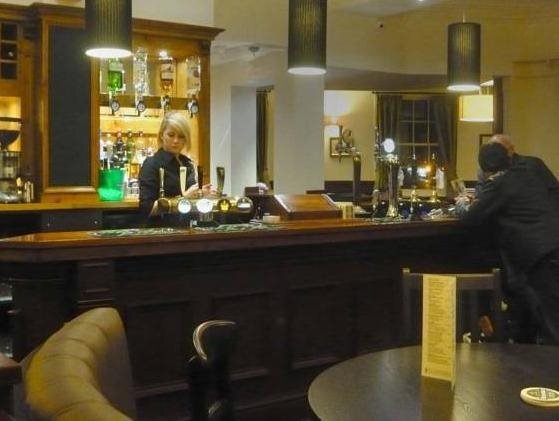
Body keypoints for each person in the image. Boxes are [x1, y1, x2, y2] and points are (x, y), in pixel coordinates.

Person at [457, 142, 559, 345]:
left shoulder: (500, 184)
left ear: (485, 170)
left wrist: (462, 204)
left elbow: (470, 218)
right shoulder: (530, 171)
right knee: (550, 317)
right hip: (552, 245)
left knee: (550, 324)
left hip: (538, 256)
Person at [139, 111, 213, 226]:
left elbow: (192, 202)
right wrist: (184, 198)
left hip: (187, 228)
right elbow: (147, 209)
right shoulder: (152, 164)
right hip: (162, 231)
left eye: (181, 136)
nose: (176, 141)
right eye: (171, 135)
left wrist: (201, 194)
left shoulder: (188, 164)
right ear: (162, 135)